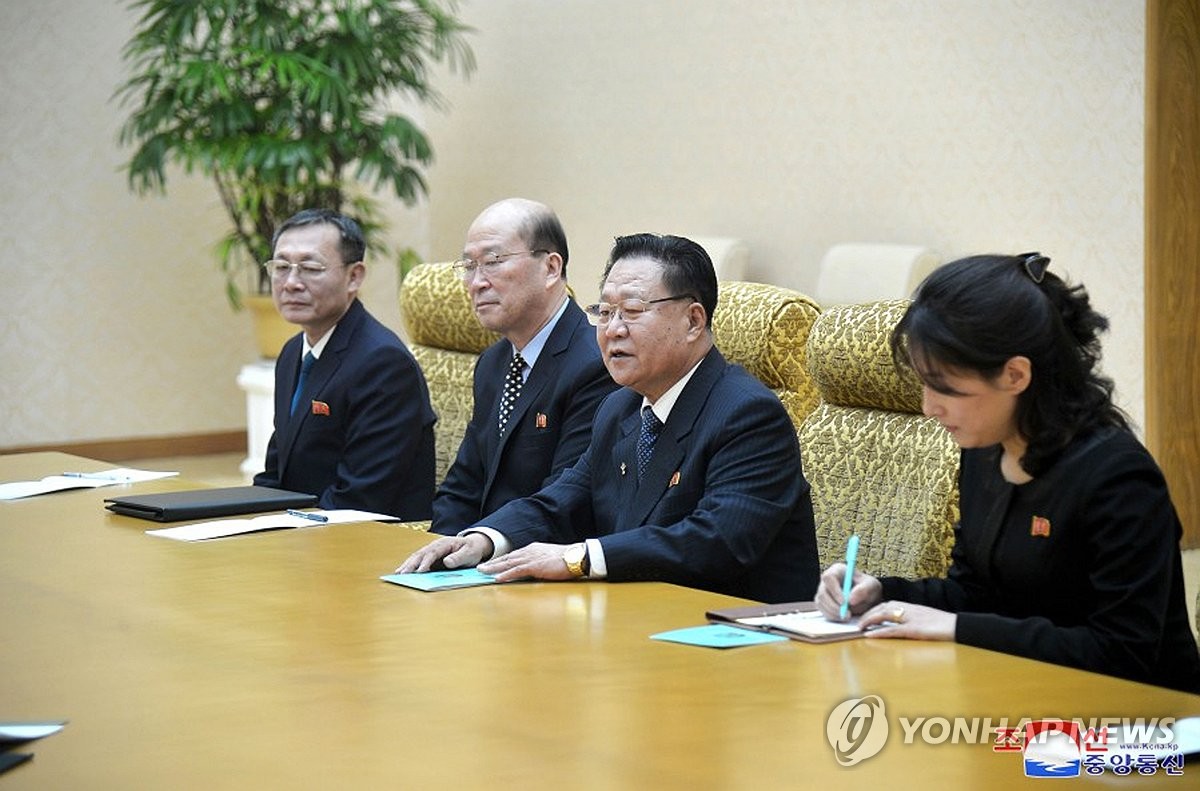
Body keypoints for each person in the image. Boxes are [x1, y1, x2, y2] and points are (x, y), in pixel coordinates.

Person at [814, 252, 1200, 693]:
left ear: (1015, 375)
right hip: (1024, 697)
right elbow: (973, 592)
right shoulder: (984, 450)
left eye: (946, 388)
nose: (928, 407)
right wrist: (881, 593)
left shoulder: (1118, 478)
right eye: (923, 383)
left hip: (1141, 726)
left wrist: (958, 628)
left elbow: (1122, 653)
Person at [399, 233, 820, 603]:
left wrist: (577, 558)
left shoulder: (747, 413)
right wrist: (483, 539)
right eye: (604, 311)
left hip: (739, 638)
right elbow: (564, 500)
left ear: (694, 320)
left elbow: (716, 542)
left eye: (632, 311)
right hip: (638, 622)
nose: (612, 329)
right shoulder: (620, 406)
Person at [431, 198, 617, 534]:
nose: (476, 283)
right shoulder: (493, 362)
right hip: (475, 562)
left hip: (538, 559)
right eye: (469, 267)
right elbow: (462, 486)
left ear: (551, 268)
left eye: (492, 261)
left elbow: (567, 497)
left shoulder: (595, 364)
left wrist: (483, 543)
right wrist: (437, 554)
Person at [253, 208, 436, 520]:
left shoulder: (382, 363)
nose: (291, 282)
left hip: (365, 542)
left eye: (310, 268)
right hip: (302, 532)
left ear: (354, 277)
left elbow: (361, 497)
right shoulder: (292, 352)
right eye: (281, 267)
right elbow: (277, 473)